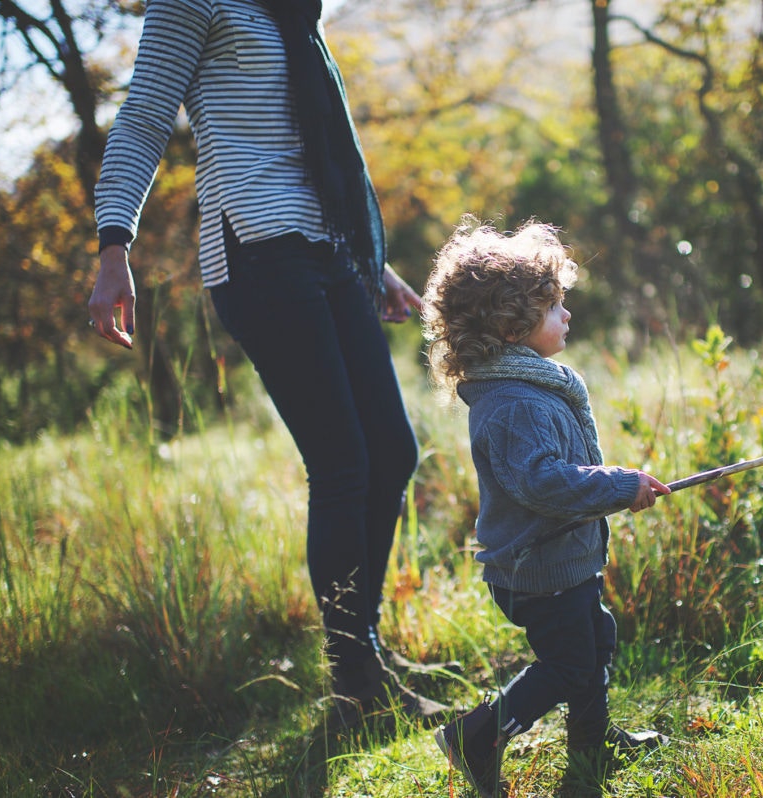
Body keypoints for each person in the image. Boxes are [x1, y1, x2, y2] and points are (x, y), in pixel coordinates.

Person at [86, 0, 448, 730]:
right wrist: (112, 245)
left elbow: (319, 147)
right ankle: (356, 685)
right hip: (256, 250)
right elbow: (146, 115)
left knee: (393, 451)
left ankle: (362, 653)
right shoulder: (193, 3)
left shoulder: (294, 11)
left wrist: (374, 267)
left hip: (330, 249)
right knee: (345, 463)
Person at [420, 218, 671, 797]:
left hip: (562, 559)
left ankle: (592, 744)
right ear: (511, 326)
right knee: (568, 663)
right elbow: (543, 484)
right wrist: (616, 485)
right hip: (539, 567)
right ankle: (477, 735)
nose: (566, 316)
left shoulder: (532, 385)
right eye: (554, 306)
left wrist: (614, 488)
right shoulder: (512, 403)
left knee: (594, 642)